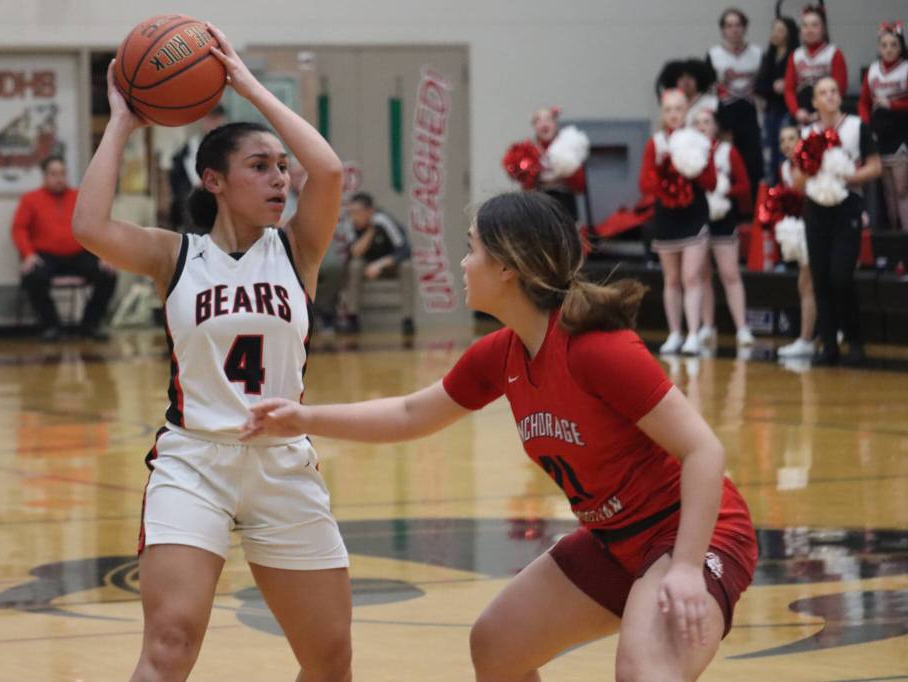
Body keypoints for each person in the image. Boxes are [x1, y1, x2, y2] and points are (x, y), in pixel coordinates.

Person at [243, 191, 758, 682]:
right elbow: (410, 413)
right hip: (614, 540)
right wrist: (304, 419)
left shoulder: (597, 349)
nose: (463, 263)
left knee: (644, 673)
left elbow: (704, 450)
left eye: (472, 248)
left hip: (691, 533)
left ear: (508, 266)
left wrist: (687, 566)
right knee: (497, 644)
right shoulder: (501, 354)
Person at [72, 24, 351, 682]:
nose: (280, 178)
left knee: (330, 659)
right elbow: (89, 226)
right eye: (260, 166)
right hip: (194, 461)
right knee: (170, 643)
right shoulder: (175, 255)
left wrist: (247, 86)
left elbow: (329, 170)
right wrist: (122, 122)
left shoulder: (298, 249)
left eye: (281, 166)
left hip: (282, 461)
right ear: (214, 181)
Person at [791, 77, 882, 367]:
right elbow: (796, 180)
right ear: (815, 102)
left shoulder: (856, 126)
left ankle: (854, 340)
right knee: (819, 278)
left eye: (833, 91)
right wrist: (812, 167)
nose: (830, 96)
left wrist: (847, 175)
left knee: (841, 276)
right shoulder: (807, 133)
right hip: (815, 208)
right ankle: (829, 345)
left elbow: (876, 167)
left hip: (847, 206)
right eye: (823, 93)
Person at [639, 89, 716, 355]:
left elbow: (711, 182)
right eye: (669, 109)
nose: (674, 114)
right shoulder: (656, 143)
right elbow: (644, 183)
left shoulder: (699, 140)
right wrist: (666, 175)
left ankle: (693, 334)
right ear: (663, 113)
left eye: (679, 109)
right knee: (671, 279)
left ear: (687, 111)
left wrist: (690, 170)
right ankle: (674, 333)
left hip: (694, 214)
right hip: (667, 215)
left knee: (691, 276)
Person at [12, 154, 117, 341]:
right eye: (54, 174)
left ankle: (89, 324)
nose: (59, 178)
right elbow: (18, 229)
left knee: (108, 274)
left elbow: (95, 227)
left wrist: (103, 255)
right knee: (33, 276)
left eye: (62, 173)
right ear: (45, 176)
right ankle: (51, 326)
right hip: (46, 256)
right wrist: (28, 254)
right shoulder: (30, 199)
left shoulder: (79, 197)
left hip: (78, 254)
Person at [692, 109, 754, 348]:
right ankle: (707, 325)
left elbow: (744, 185)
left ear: (715, 126)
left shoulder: (727, 152)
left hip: (723, 217)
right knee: (702, 274)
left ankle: (742, 328)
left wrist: (723, 190)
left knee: (730, 273)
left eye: (706, 122)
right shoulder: (688, 152)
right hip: (697, 218)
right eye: (697, 122)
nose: (702, 126)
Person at [339, 192, 415, 336]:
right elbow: (354, 252)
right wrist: (370, 230)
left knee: (407, 266)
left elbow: (405, 250)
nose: (353, 216)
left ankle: (407, 320)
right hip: (366, 265)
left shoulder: (383, 220)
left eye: (357, 212)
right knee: (354, 265)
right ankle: (352, 318)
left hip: (389, 263)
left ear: (370, 211)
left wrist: (380, 264)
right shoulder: (349, 223)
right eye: (351, 212)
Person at [708, 8, 764, 196]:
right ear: (723, 30)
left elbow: (764, 85)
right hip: (725, 115)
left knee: (753, 163)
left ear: (744, 28)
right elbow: (707, 89)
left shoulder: (757, 53)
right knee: (727, 161)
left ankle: (754, 205)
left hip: (751, 114)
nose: (734, 30)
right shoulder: (713, 55)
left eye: (738, 25)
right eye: (729, 25)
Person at [859, 21, 908, 232]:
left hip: (901, 134)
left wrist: (893, 104)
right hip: (880, 134)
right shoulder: (873, 70)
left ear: (901, 47)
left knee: (902, 189)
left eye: (893, 45)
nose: (889, 49)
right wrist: (866, 126)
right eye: (884, 45)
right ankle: (894, 238)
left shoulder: (905, 68)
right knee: (887, 190)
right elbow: (863, 102)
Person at [775, 124, 817, 358]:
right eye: (783, 140)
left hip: (820, 226)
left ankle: (809, 338)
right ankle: (810, 337)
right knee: (806, 283)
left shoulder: (811, 162)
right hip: (802, 228)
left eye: (792, 138)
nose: (787, 144)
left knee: (811, 283)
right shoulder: (784, 168)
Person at [166, 105, 228, 231]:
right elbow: (177, 183)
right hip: (195, 209)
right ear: (203, 120)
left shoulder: (231, 148)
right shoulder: (188, 149)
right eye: (210, 119)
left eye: (217, 118)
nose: (214, 124)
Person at [784, 5, 847, 126]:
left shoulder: (834, 53)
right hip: (802, 114)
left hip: (828, 113)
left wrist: (821, 112)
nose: (809, 30)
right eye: (805, 26)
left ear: (823, 29)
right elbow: (789, 89)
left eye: (814, 25)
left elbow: (840, 89)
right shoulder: (796, 55)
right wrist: (796, 111)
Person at [756, 14, 800, 184]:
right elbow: (759, 85)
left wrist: (786, 84)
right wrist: (772, 86)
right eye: (774, 30)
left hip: (787, 109)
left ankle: (786, 185)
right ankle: (772, 187)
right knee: (770, 151)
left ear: (789, 33)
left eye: (780, 30)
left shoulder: (795, 56)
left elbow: (796, 84)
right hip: (771, 108)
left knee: (786, 149)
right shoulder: (768, 56)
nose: (775, 34)